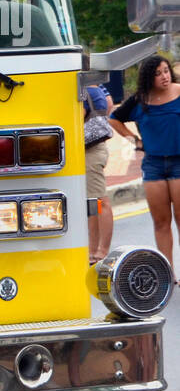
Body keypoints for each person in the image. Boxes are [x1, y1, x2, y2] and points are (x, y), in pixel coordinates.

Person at [109, 54, 180, 274]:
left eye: (166, 71)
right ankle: (168, 271)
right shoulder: (140, 100)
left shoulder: (179, 91)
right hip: (154, 165)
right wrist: (135, 140)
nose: (164, 77)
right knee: (161, 221)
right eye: (158, 74)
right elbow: (114, 118)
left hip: (179, 161)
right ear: (149, 77)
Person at [83, 83, 114, 263]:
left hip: (90, 152)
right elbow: (110, 103)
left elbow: (74, 120)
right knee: (93, 204)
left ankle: (102, 250)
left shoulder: (84, 91)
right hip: (97, 149)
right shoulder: (98, 89)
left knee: (101, 202)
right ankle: (93, 250)